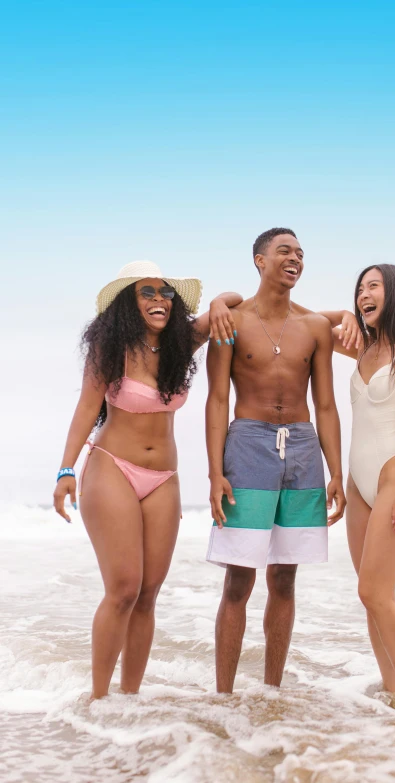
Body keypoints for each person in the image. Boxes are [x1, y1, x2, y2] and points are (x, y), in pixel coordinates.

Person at [53, 260, 242, 699]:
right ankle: (98, 701)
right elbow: (86, 408)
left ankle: (130, 700)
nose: (159, 300)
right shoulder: (110, 348)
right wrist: (65, 470)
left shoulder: (182, 343)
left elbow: (235, 299)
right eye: (147, 293)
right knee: (123, 588)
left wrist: (215, 303)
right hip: (112, 467)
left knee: (148, 594)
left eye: (166, 293)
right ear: (127, 304)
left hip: (164, 478)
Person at [205, 227, 356, 694]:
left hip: (304, 446)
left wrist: (336, 473)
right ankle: (224, 696)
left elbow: (327, 404)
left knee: (286, 578)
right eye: (284, 251)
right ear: (259, 260)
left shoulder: (313, 328)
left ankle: (273, 691)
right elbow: (215, 400)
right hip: (247, 444)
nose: (295, 259)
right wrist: (214, 473)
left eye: (301, 253)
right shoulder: (230, 320)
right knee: (238, 580)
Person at [324, 264, 395, 705]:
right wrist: (344, 315)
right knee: (369, 597)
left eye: (373, 286)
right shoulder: (360, 349)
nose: (363, 294)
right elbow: (302, 322)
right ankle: (393, 692)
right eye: (359, 290)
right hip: (359, 484)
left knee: (374, 590)